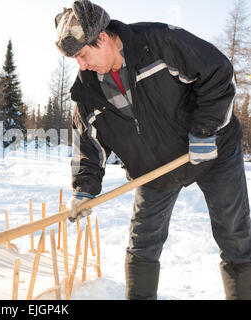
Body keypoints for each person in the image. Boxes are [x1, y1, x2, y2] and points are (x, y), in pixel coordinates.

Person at [57, 0, 251, 300]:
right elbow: (87, 142)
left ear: (104, 38)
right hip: (154, 168)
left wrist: (204, 130)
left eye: (83, 55)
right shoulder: (87, 92)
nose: (81, 65)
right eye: (76, 60)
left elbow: (218, 73)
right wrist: (83, 189)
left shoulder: (160, 43)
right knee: (143, 241)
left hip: (212, 151)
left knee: (235, 234)